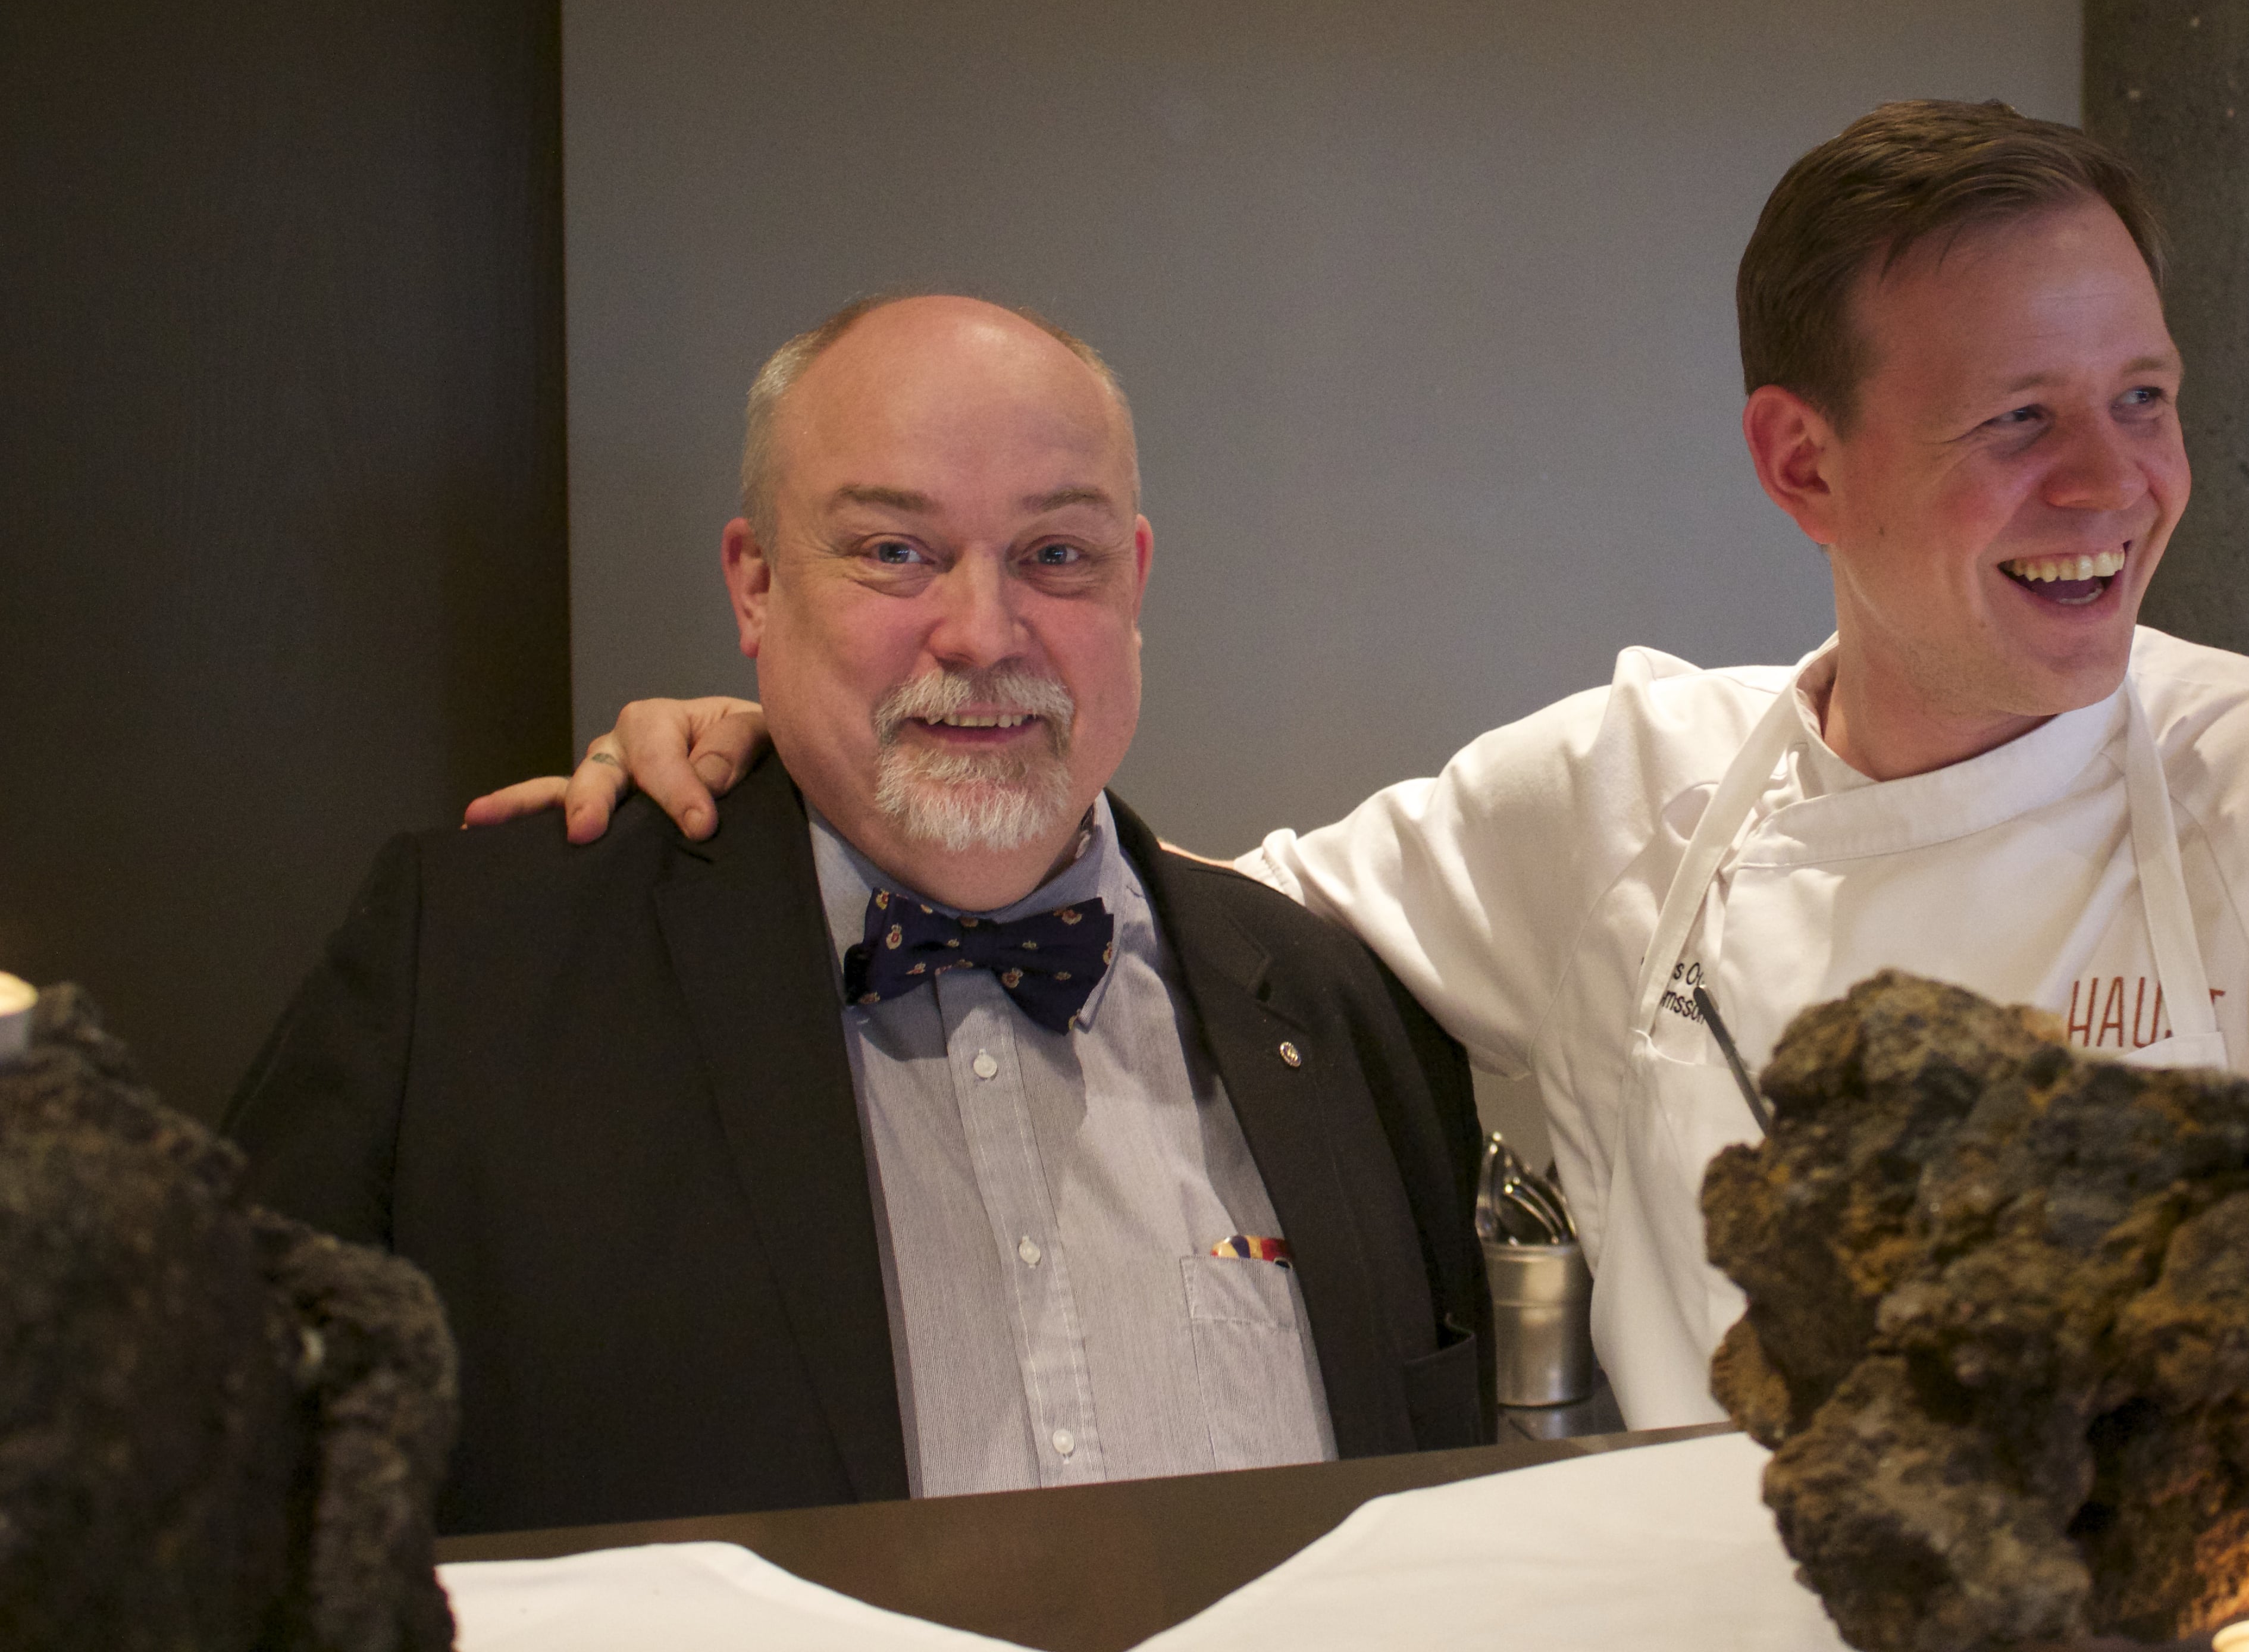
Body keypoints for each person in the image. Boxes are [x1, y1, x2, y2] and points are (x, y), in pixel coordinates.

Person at [485, 102, 2249, 1432]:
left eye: (2144, 397)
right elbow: (1127, 911)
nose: (2116, 484)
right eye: (2019, 420)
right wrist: (810, 761)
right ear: (1800, 462)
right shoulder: (1624, 792)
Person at [228, 296, 1489, 1536]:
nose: (982, 634)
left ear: (1135, 583)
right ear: (757, 584)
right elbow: (218, 1492)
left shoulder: (1340, 1009)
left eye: (1057, 555)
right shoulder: (467, 975)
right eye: (895, 551)